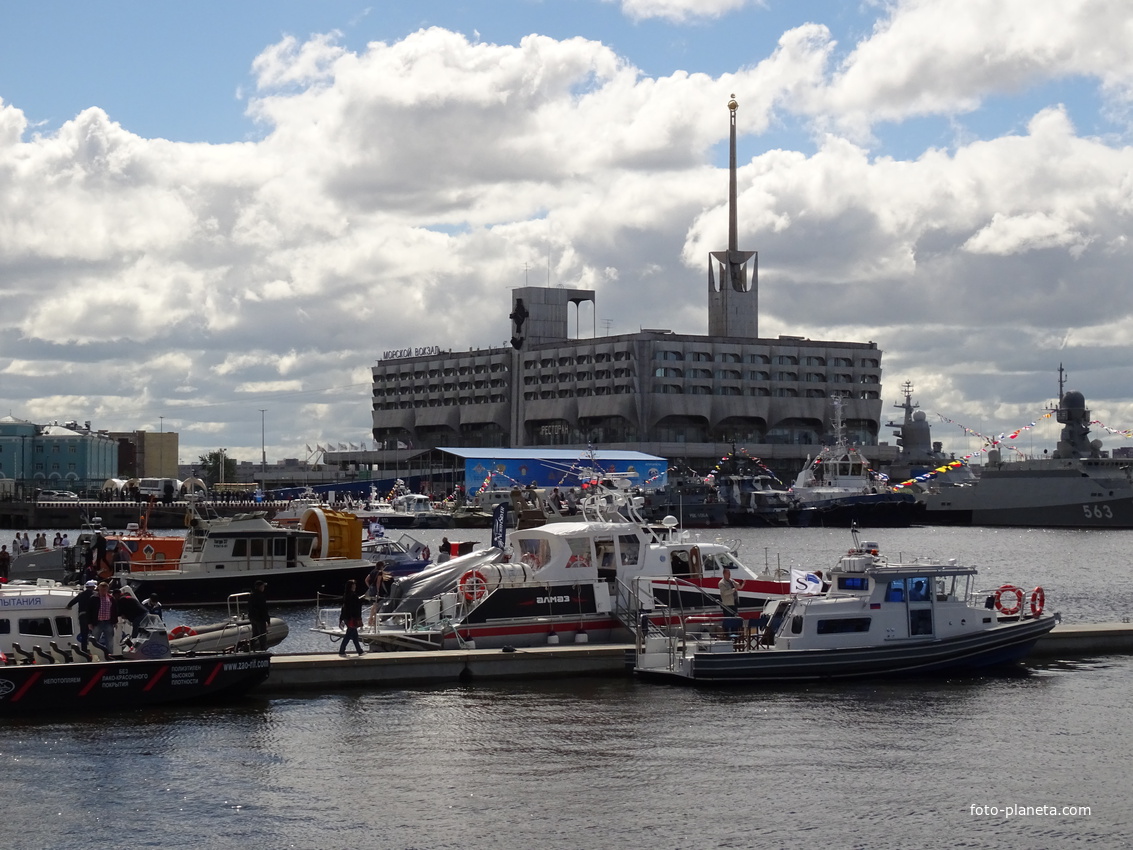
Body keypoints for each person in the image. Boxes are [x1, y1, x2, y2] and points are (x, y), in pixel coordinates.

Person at [67, 579, 99, 650]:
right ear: (93, 587)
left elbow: (72, 602)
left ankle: (84, 650)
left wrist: (68, 607)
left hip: (83, 616)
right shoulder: (95, 594)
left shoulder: (81, 594)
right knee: (94, 634)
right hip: (92, 616)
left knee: (84, 634)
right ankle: (94, 650)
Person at [88, 581, 118, 654]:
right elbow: (89, 611)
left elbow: (115, 610)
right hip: (97, 622)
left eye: (104, 590)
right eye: (101, 589)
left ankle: (110, 655)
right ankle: (93, 655)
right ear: (98, 589)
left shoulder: (111, 598)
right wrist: (89, 623)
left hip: (108, 622)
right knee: (94, 640)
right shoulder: (94, 598)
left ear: (107, 589)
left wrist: (115, 621)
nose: (103, 591)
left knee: (110, 641)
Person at [338, 579, 365, 656]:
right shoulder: (353, 595)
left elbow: (344, 607)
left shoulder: (346, 595)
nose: (355, 586)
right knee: (349, 635)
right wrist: (362, 599)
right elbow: (356, 606)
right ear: (350, 586)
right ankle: (341, 651)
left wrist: (341, 618)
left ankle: (360, 651)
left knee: (355, 636)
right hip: (351, 618)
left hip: (346, 617)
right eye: (353, 585)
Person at [248, 580, 270, 651]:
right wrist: (267, 619)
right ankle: (263, 649)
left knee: (255, 634)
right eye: (263, 586)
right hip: (260, 618)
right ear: (260, 587)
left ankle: (249, 648)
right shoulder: (260, 596)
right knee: (262, 634)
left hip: (252, 617)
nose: (264, 588)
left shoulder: (251, 595)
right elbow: (263, 608)